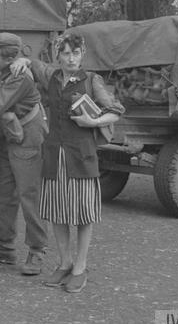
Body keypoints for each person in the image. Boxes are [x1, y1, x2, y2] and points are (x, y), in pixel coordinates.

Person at [12, 31, 124, 293]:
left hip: (81, 157)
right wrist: (22, 61)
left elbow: (115, 111)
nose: (71, 58)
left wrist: (93, 122)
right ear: (58, 55)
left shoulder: (92, 81)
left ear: (82, 55)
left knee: (83, 214)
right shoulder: (51, 76)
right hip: (54, 155)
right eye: (65, 53)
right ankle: (64, 263)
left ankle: (80, 268)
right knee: (57, 212)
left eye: (75, 53)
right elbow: (33, 64)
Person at [0, 32, 48, 275]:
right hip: (10, 133)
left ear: (9, 59)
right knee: (2, 190)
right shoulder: (3, 71)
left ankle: (38, 249)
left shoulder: (20, 77)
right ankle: (6, 246)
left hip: (27, 135)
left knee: (29, 192)